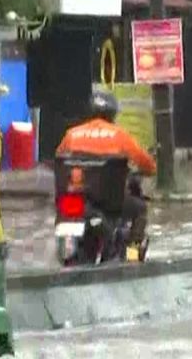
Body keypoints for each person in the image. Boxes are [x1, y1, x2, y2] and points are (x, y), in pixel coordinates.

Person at [55, 90, 157, 247]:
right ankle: (132, 254)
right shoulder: (120, 136)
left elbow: (59, 159)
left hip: (76, 200)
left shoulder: (71, 134)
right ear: (113, 113)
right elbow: (148, 166)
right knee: (140, 209)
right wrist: (148, 169)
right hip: (110, 201)